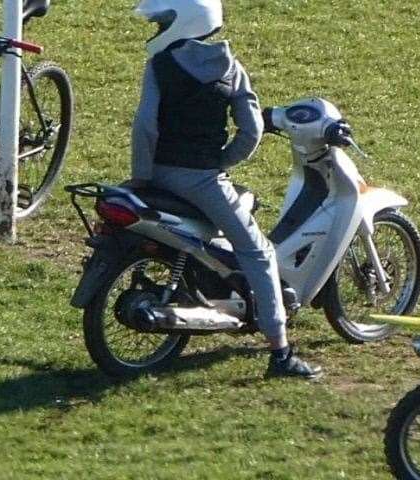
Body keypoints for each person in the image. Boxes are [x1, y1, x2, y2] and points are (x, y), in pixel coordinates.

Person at [130, 0, 321, 379]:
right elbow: (250, 133)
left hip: (159, 175)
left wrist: (140, 176)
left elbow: (145, 127)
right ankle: (280, 352)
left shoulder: (160, 66)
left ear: (182, 22)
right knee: (259, 252)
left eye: (161, 21)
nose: (156, 29)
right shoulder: (232, 70)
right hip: (204, 180)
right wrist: (222, 163)